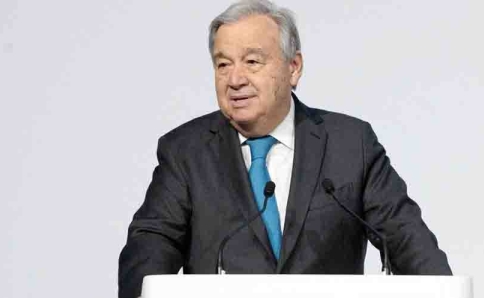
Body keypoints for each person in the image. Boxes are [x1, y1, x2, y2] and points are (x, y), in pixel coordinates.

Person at [118, 0, 452, 297]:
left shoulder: (351, 144)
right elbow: (150, 248)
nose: (234, 79)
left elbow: (407, 239)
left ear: (293, 68)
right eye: (223, 64)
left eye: (252, 61)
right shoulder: (185, 151)